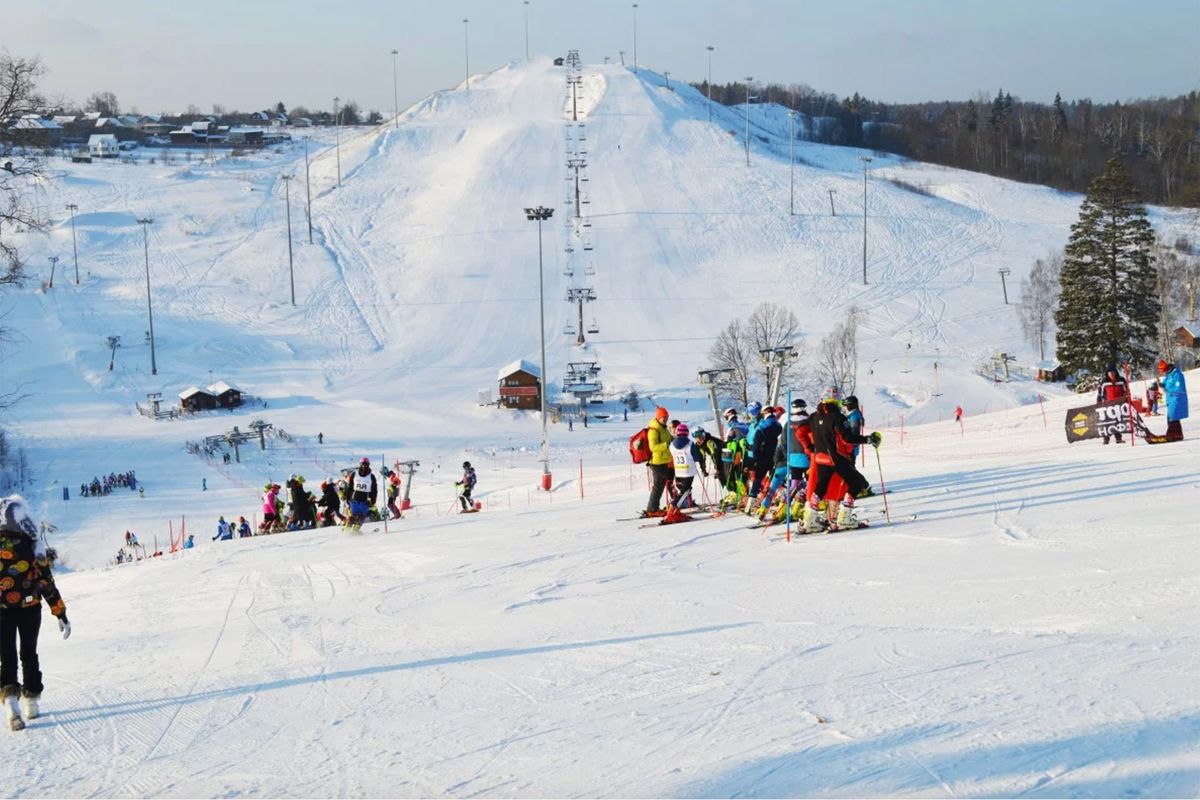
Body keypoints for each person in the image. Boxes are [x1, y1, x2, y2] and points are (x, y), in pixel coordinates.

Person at [0, 495, 70, 732]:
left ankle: (11, 704)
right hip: (30, 609)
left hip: (2, 612)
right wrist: (60, 612)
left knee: (6, 656)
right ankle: (31, 701)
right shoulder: (32, 546)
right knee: (28, 652)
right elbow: (45, 582)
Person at [805, 395, 879, 532]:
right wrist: (868, 439)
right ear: (835, 402)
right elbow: (847, 438)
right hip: (836, 458)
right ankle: (844, 518)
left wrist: (809, 446)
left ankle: (809, 519)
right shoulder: (838, 417)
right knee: (855, 483)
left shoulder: (814, 416)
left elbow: (799, 430)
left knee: (821, 487)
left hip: (820, 457)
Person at [1148, 359, 1188, 443]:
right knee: (1172, 417)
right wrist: (1160, 384)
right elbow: (1166, 384)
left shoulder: (1177, 374)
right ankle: (1177, 433)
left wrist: (1167, 389)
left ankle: (1173, 433)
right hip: (1171, 399)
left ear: (1166, 368)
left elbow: (1179, 387)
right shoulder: (1168, 375)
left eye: (1162, 371)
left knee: (1173, 417)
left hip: (1177, 398)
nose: (1162, 373)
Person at [644, 406, 673, 517]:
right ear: (658, 417)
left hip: (664, 460)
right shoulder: (654, 430)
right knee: (658, 486)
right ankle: (652, 509)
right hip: (656, 462)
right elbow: (653, 447)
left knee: (660, 486)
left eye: (666, 417)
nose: (665, 419)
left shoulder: (663, 428)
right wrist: (666, 445)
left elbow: (670, 438)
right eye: (663, 417)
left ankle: (654, 507)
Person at [667, 423, 702, 514]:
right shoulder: (690, 444)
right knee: (685, 491)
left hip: (678, 471)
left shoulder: (671, 445)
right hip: (688, 471)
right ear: (687, 433)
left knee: (681, 490)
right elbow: (697, 458)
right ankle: (674, 507)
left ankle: (677, 506)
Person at [1095, 365, 1129, 444]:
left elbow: (1126, 392)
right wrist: (1098, 404)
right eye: (1109, 373)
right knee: (1107, 423)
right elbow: (1100, 394)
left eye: (1113, 372)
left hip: (1118, 405)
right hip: (1107, 406)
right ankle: (1106, 439)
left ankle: (1118, 438)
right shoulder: (1104, 382)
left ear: (1116, 372)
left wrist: (1127, 401)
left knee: (1117, 422)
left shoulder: (1121, 380)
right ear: (1107, 373)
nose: (1111, 374)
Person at [345, 458, 378, 529]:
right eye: (363, 464)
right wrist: (348, 498)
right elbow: (350, 487)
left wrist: (373, 500)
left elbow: (374, 490)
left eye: (365, 464)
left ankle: (351, 529)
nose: (364, 466)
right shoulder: (355, 474)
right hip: (358, 500)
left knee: (358, 516)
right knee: (360, 516)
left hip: (362, 500)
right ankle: (351, 530)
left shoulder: (371, 476)